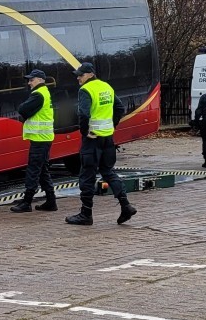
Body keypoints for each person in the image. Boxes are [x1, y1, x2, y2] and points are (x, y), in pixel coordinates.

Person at [65, 62, 136, 226]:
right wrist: (112, 125)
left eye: (81, 75)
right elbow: (119, 108)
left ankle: (86, 214)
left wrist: (84, 132)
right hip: (108, 139)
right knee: (108, 172)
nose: (78, 78)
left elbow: (83, 113)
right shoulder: (106, 87)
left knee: (87, 176)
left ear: (90, 74)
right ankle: (126, 205)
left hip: (92, 140)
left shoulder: (85, 90)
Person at [10, 69, 58, 213]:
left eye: (32, 80)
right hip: (43, 138)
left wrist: (22, 108)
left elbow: (23, 109)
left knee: (33, 170)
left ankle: (27, 202)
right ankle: (51, 201)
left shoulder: (38, 94)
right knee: (42, 170)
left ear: (40, 80)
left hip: (40, 139)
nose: (29, 82)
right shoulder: (44, 92)